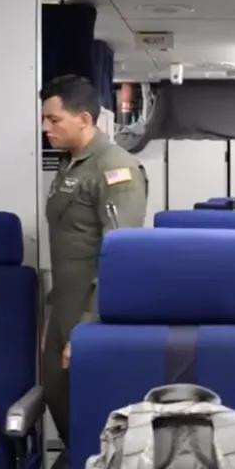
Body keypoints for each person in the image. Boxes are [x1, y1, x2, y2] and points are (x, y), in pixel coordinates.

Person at [41, 75, 148, 444]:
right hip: (63, 310)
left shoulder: (115, 168)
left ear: (84, 119)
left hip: (92, 314)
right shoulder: (71, 164)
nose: (46, 128)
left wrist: (88, 326)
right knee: (56, 395)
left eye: (54, 120)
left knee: (93, 421)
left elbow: (119, 257)